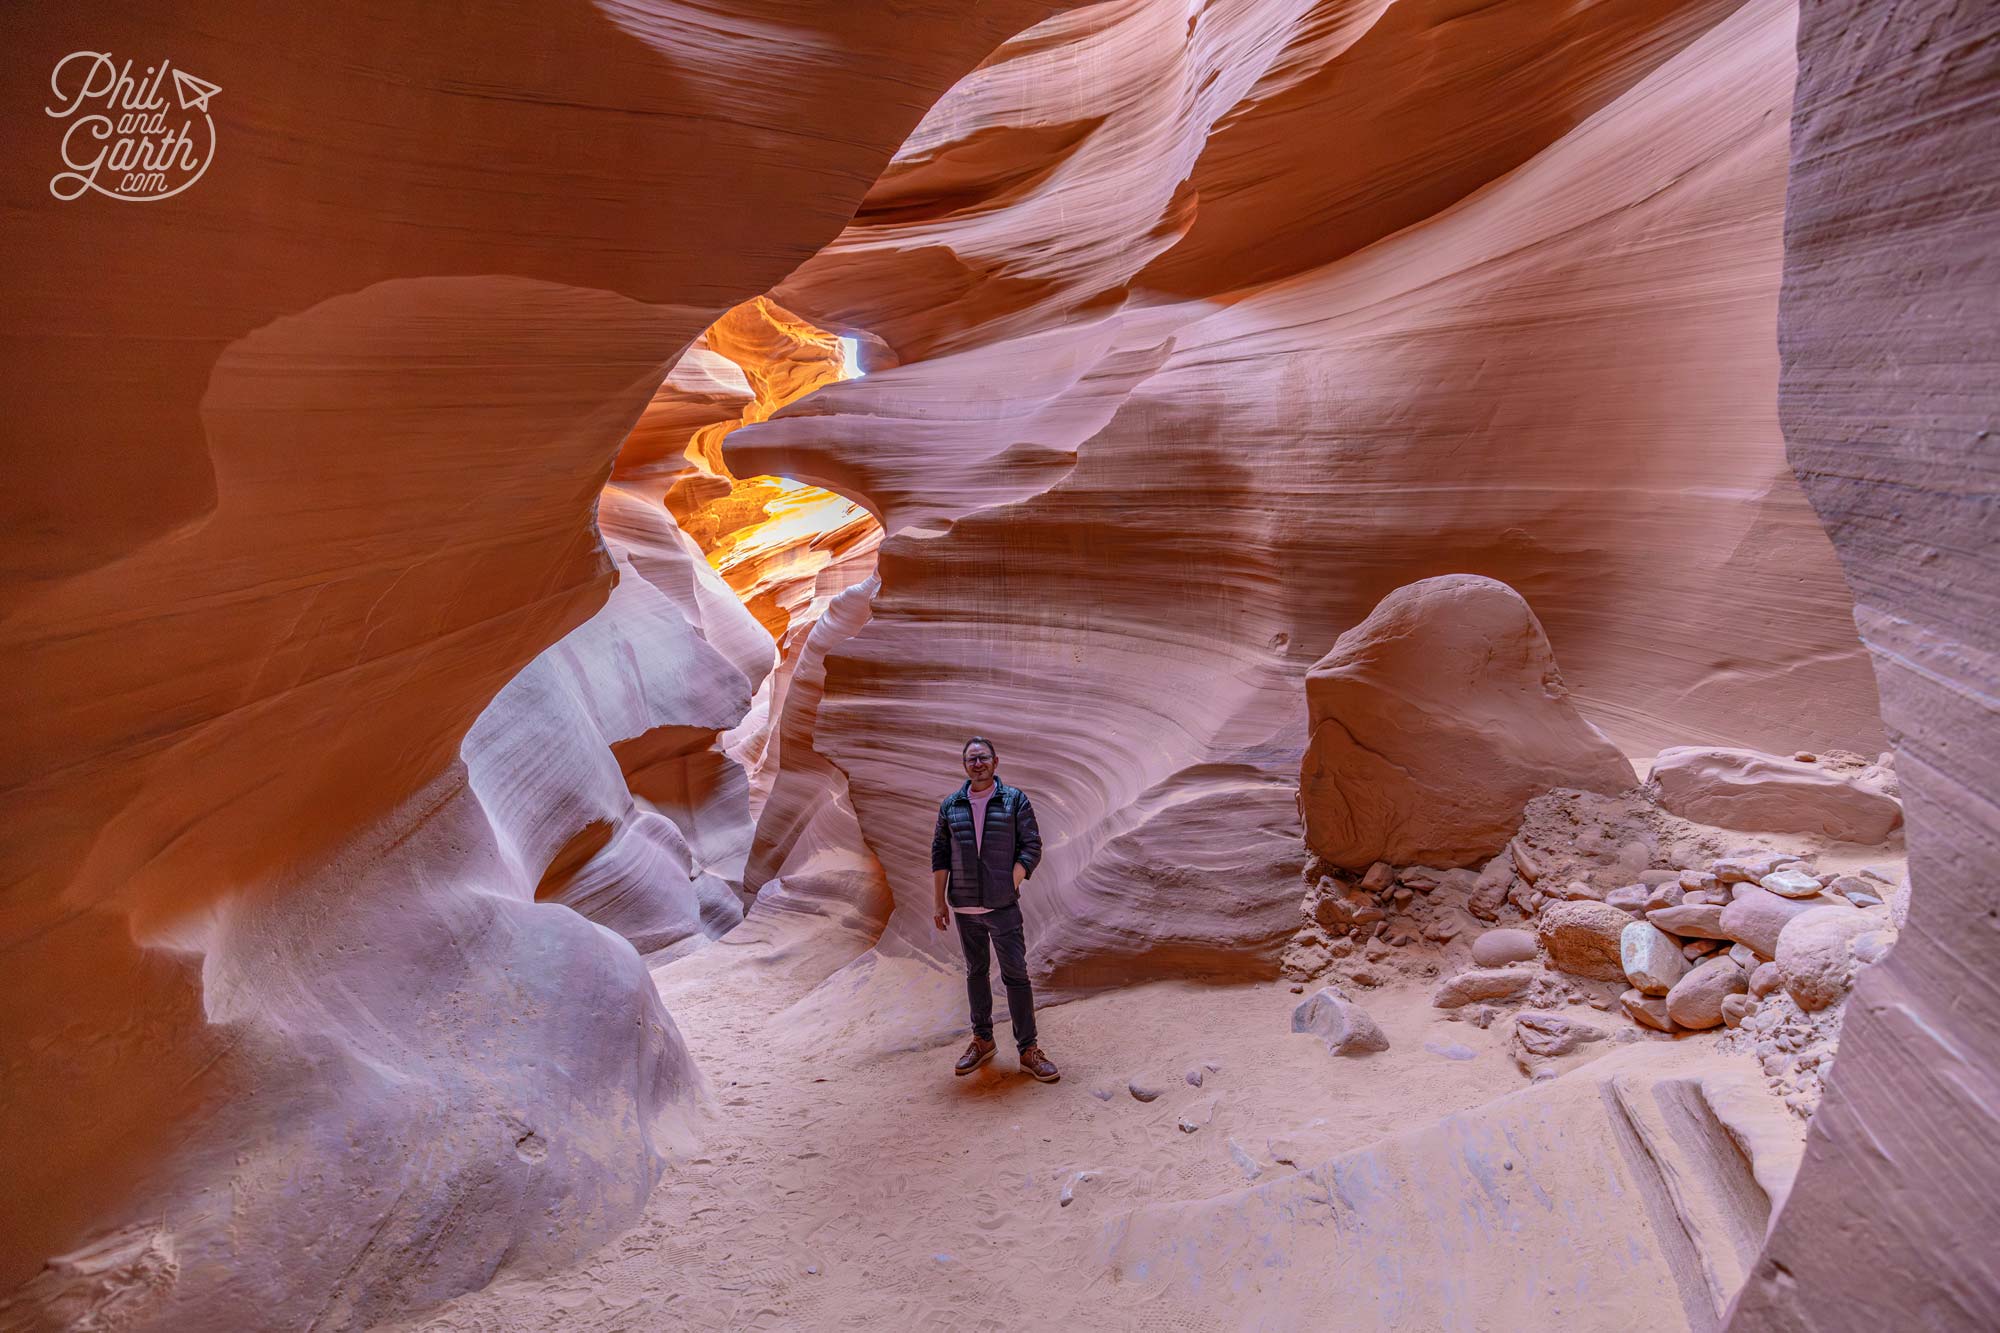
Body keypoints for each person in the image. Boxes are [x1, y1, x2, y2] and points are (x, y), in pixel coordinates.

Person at [931, 736, 1060, 1082]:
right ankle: (983, 1039)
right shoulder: (951, 806)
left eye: (983, 758)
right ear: (964, 765)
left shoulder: (1014, 800)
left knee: (1015, 975)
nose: (978, 764)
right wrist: (938, 901)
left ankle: (1028, 1050)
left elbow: (1031, 845)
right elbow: (940, 854)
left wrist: (1012, 881)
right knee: (975, 974)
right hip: (964, 908)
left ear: (995, 762)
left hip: (1002, 906)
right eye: (971, 759)